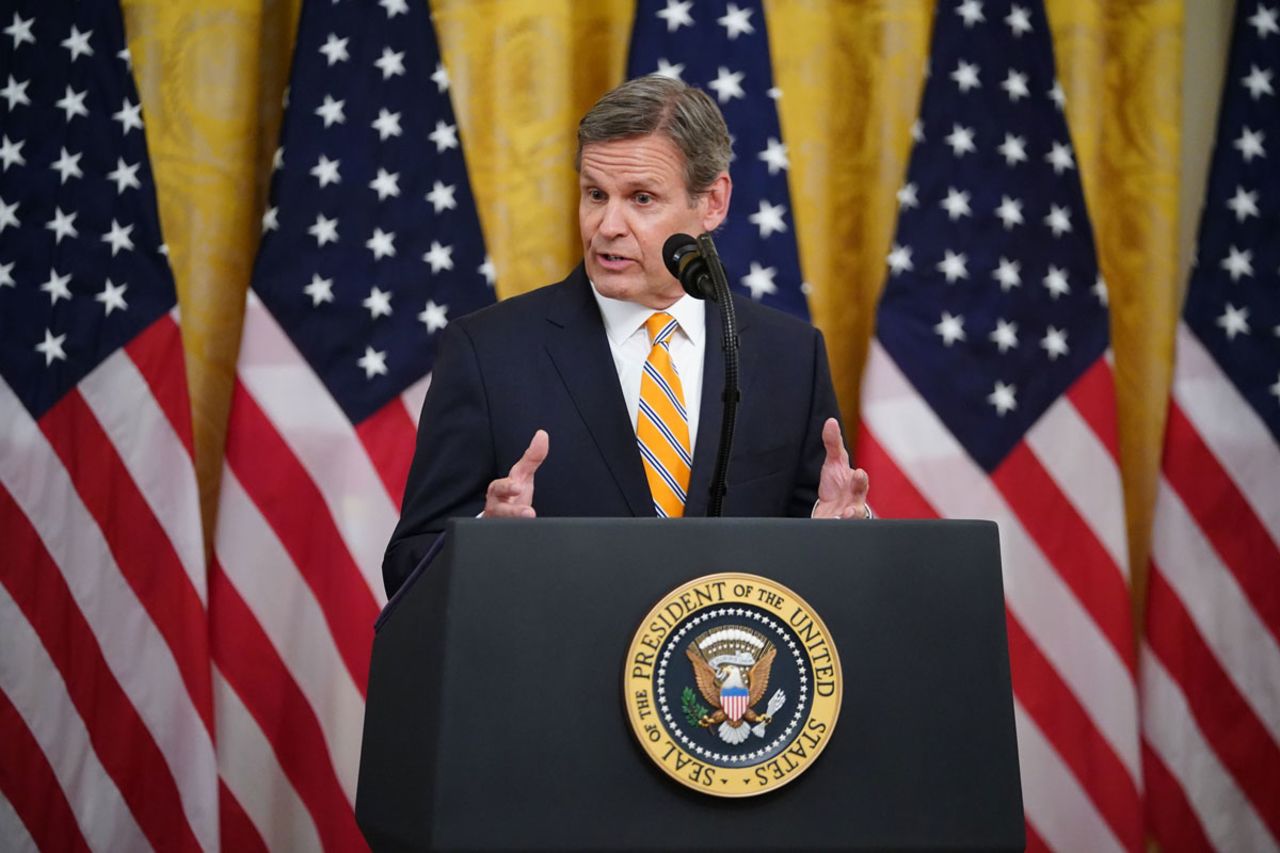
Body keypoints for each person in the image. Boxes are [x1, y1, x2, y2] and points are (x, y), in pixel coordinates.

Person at [382, 74, 870, 597]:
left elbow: (818, 574)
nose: (607, 225)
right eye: (595, 194)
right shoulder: (488, 353)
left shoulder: (789, 355)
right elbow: (408, 563)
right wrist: (483, 545)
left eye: (641, 198)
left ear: (713, 202)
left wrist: (836, 533)